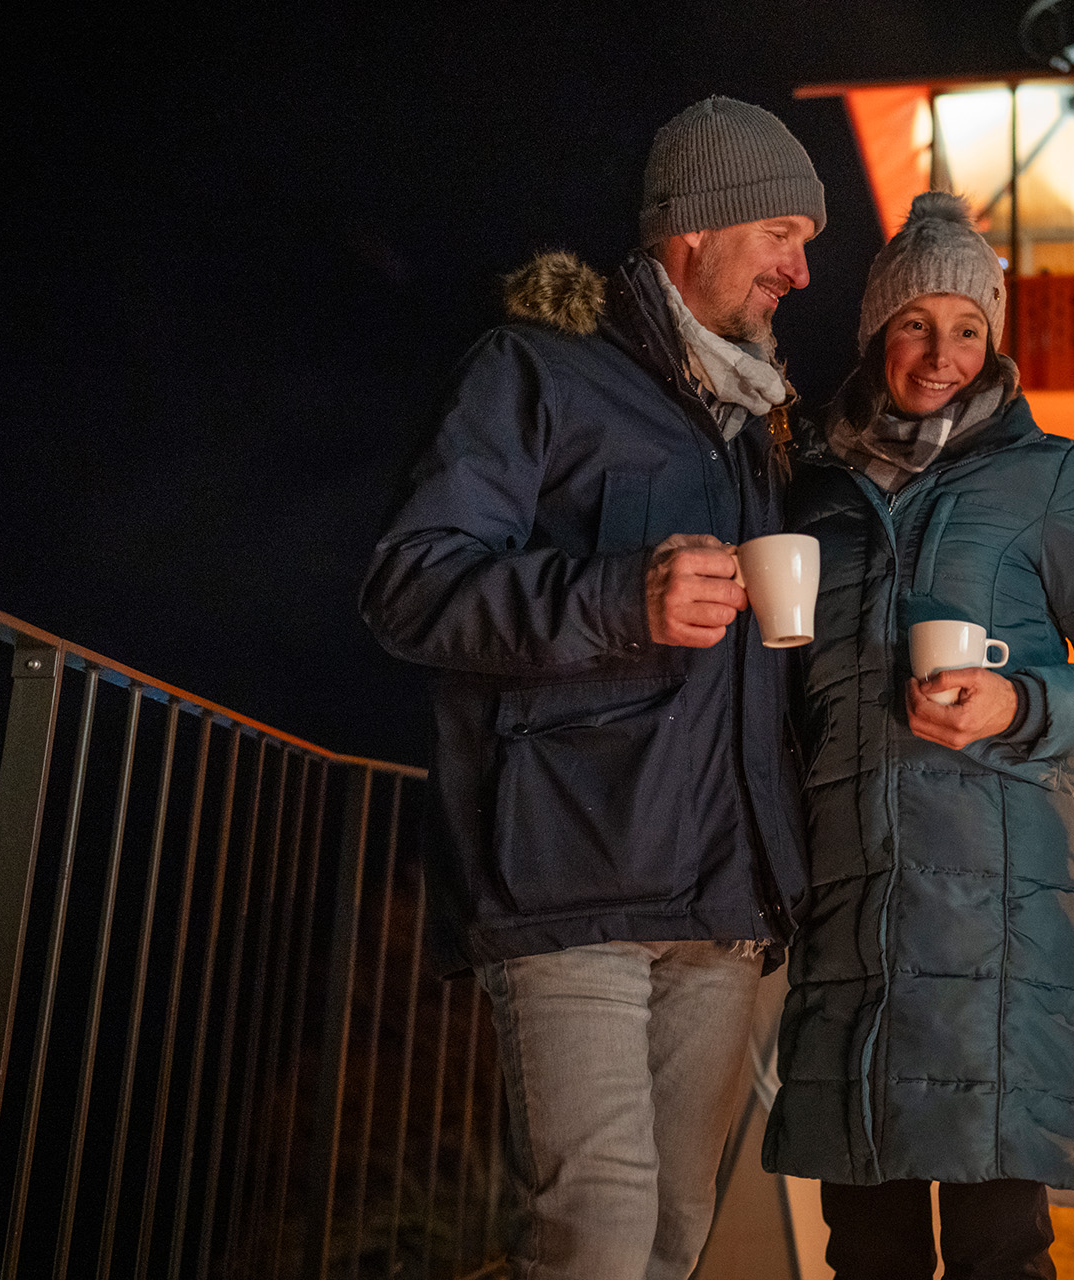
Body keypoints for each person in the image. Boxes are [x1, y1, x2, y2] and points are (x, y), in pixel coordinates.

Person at [359, 96, 823, 1280]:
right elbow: (411, 586)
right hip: (573, 882)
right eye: (782, 232)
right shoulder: (534, 371)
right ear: (695, 231)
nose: (803, 269)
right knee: (597, 1236)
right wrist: (624, 597)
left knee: (667, 1241)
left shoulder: (752, 420)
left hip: (722, 907)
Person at [762, 192, 1074, 1279]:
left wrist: (1023, 704)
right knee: (867, 1252)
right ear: (874, 333)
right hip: (856, 921)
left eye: (966, 328)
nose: (939, 353)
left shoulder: (1049, 478)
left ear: (993, 339)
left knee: (1001, 1249)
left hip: (1001, 939)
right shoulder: (811, 490)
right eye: (914, 324)